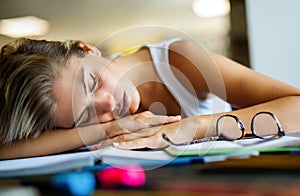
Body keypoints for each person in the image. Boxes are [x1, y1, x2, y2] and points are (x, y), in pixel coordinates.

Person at [1, 37, 300, 160]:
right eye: (84, 115)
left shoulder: (181, 60)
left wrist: (190, 127)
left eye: (92, 83)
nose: (106, 104)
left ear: (89, 49)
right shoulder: (95, 119)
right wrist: (104, 129)